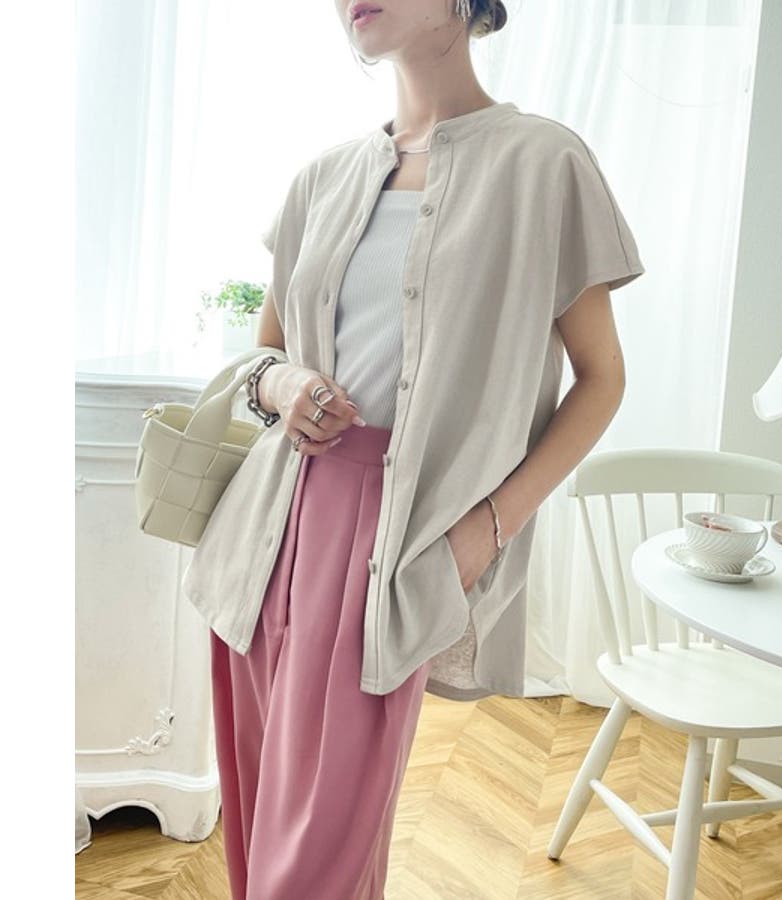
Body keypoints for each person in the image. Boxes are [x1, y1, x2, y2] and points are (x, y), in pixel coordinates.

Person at [191, 1, 646, 897]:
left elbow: (601, 380)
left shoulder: (544, 165)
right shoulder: (322, 177)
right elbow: (263, 354)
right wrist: (284, 385)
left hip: (393, 541)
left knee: (313, 866)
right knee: (258, 848)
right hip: (263, 537)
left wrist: (487, 529)